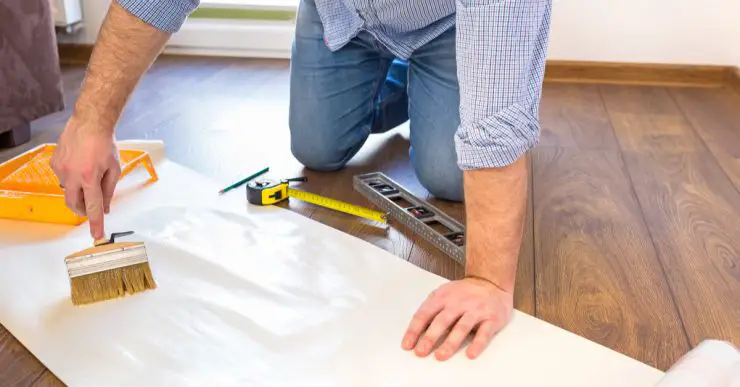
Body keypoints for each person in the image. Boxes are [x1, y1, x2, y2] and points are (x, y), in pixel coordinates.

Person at [51, 0, 552, 362]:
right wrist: (93, 119)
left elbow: (497, 114)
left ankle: (436, 89)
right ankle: (416, 92)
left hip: (450, 20)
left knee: (446, 174)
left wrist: (487, 280)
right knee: (316, 149)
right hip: (344, 15)